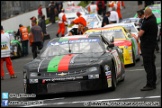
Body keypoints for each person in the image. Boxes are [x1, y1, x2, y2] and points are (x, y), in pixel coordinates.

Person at [138, 7, 158, 91]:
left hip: (147, 46)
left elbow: (140, 34)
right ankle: (153, 81)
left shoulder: (147, 22)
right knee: (152, 64)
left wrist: (137, 35)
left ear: (146, 14)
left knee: (148, 65)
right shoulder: (154, 19)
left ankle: (150, 84)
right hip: (152, 44)